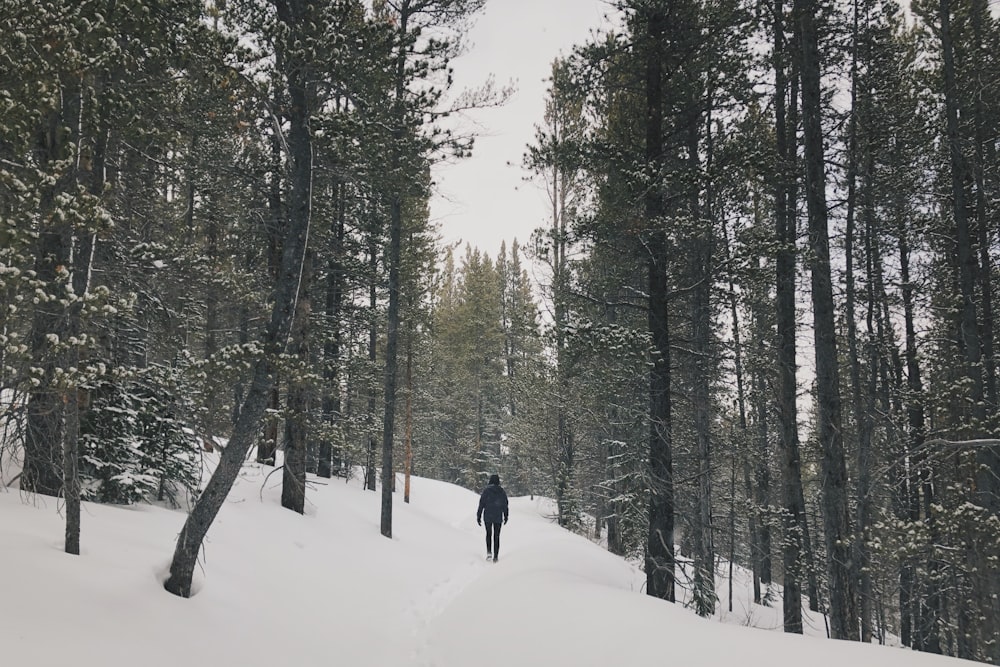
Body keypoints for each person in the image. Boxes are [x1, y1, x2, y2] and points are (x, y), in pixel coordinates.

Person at [477, 473, 509, 562]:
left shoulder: (486, 491)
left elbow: (481, 504)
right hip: (498, 517)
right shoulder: (501, 491)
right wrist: (506, 516)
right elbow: (505, 505)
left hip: (488, 516)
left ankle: (489, 553)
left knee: (488, 534)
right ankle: (496, 556)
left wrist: (478, 515)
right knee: (497, 536)